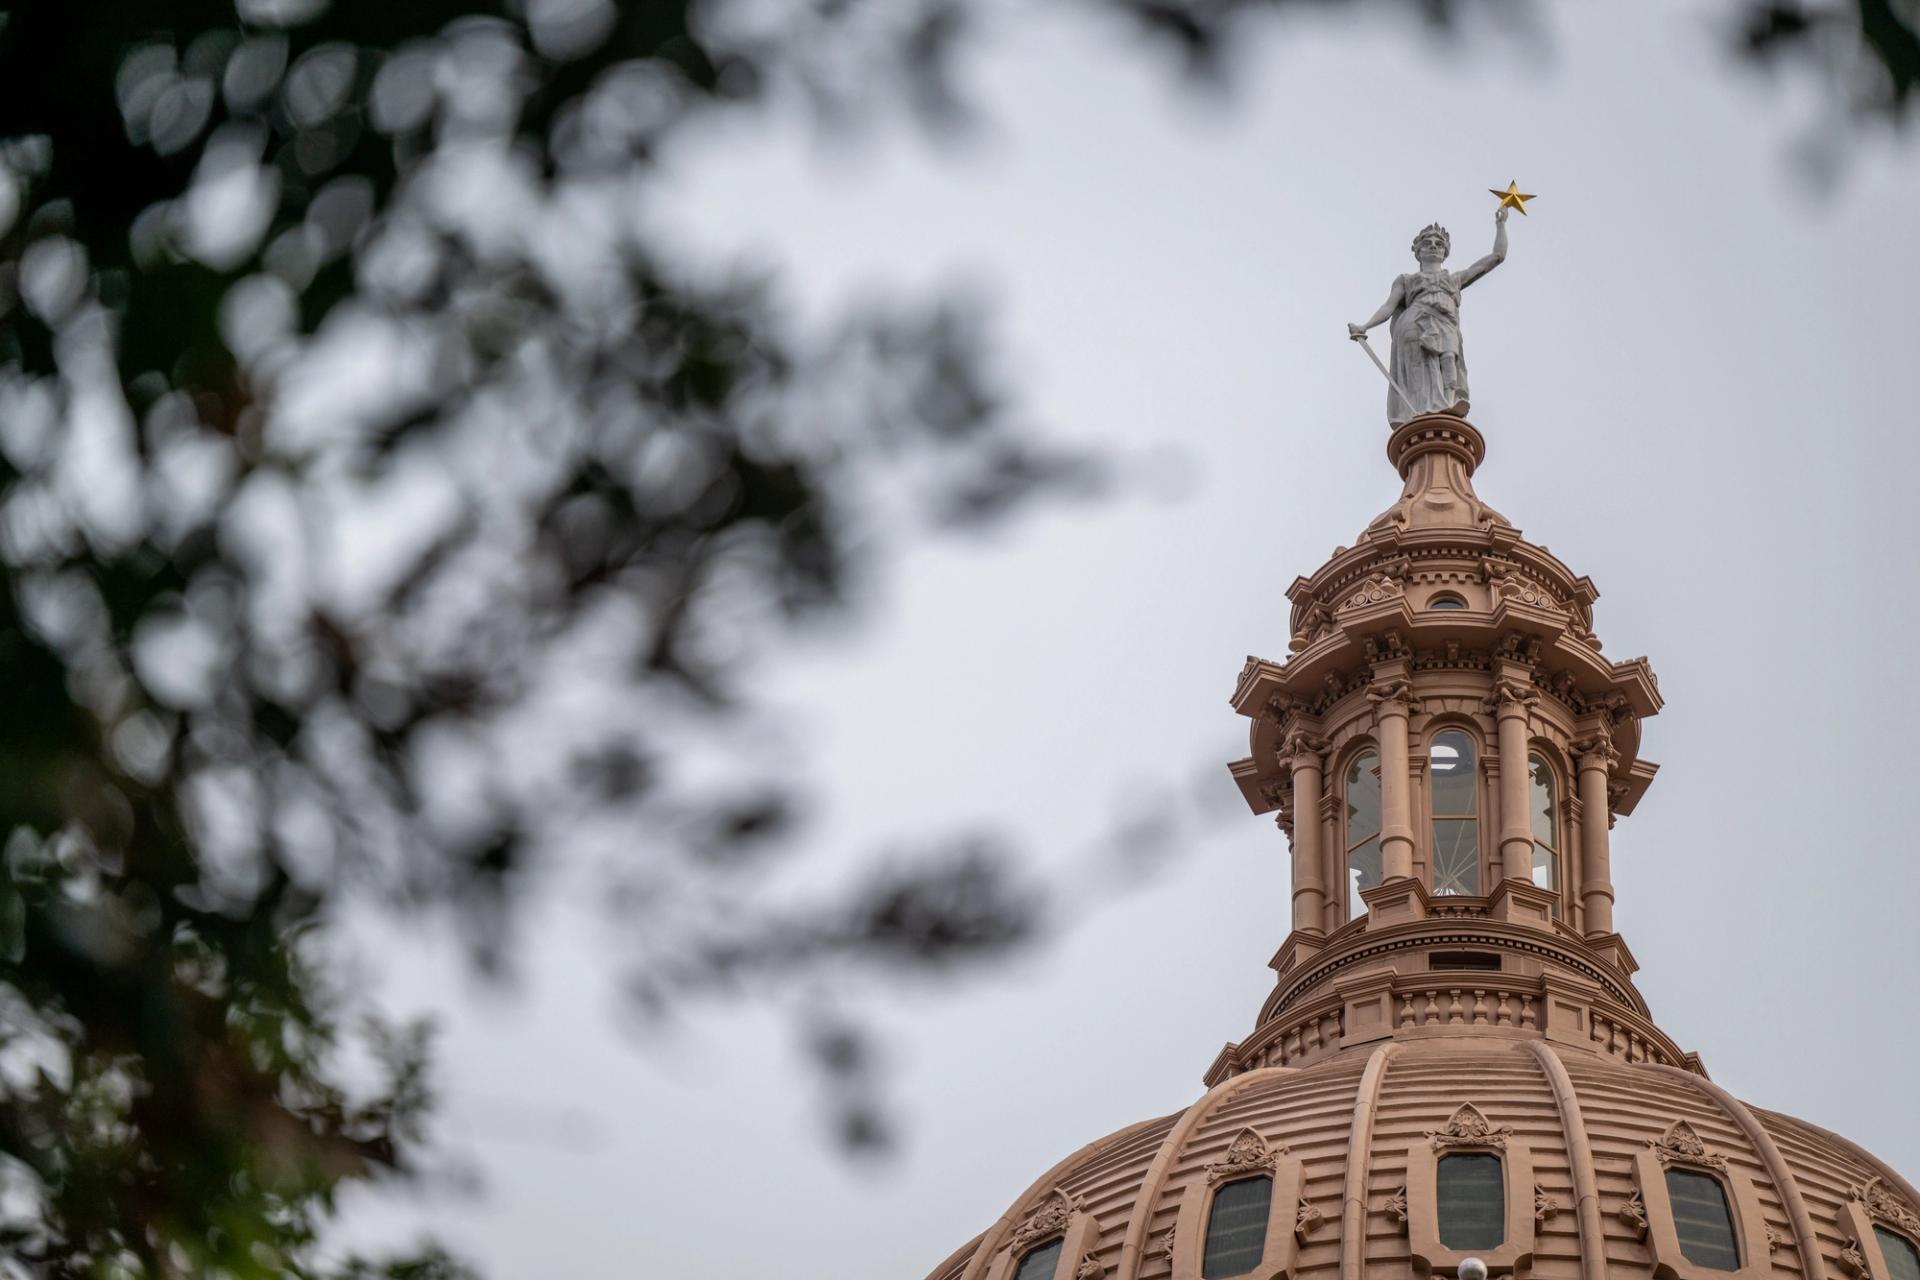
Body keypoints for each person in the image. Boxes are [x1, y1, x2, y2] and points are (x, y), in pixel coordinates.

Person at [1348, 207, 1510, 424]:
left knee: (1449, 362)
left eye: (1439, 244)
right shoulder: (1406, 280)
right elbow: (1388, 307)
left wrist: (1500, 225)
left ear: (1445, 252)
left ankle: (1449, 403)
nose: (1434, 246)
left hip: (1446, 324)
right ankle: (1418, 411)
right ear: (1418, 251)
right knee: (1421, 371)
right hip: (1415, 322)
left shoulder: (1454, 279)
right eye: (1427, 243)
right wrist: (1365, 326)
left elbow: (1496, 257)